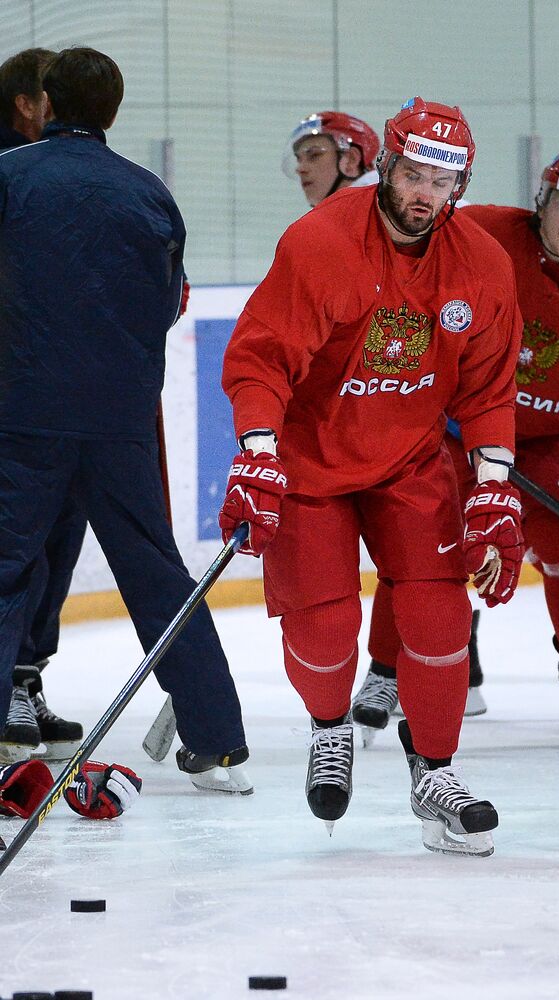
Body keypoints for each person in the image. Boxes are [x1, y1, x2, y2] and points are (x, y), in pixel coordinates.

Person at [220, 97, 522, 856]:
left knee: (440, 616)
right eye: (414, 172)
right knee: (324, 630)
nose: (426, 192)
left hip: (411, 462)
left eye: (442, 180)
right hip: (311, 462)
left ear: (461, 185)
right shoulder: (322, 243)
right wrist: (258, 450)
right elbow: (262, 358)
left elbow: (488, 389)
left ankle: (437, 770)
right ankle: (331, 728)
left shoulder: (481, 264)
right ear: (385, 164)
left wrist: (494, 484)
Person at [0, 47, 251, 792]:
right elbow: (168, 302)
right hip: (119, 420)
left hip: (23, 415)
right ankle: (219, 743)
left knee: (5, 568)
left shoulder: (9, 178)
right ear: (110, 110)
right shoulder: (148, 193)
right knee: (155, 571)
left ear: (45, 99)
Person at [352, 148, 559, 748]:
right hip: (455, 428)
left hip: (545, 440)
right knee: (420, 544)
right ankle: (385, 672)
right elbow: (414, 250)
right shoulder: (484, 230)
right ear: (541, 203)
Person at [0, 45, 87, 761]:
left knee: (54, 542)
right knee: (22, 549)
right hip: (22, 398)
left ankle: (24, 684)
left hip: (56, 394)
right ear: (29, 103)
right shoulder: (12, 177)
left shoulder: (57, 172)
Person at [285, 110, 380, 208]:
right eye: (299, 159)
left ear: (351, 160)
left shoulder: (378, 206)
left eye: (314, 155)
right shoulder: (347, 210)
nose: (300, 169)